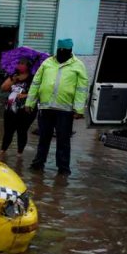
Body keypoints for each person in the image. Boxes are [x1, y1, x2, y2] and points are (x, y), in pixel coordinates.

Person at [25, 38, 88, 176]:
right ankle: (38, 164)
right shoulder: (47, 63)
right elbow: (36, 83)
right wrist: (29, 103)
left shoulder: (78, 65)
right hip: (46, 108)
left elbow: (81, 89)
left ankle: (63, 168)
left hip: (65, 110)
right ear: (57, 49)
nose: (61, 53)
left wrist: (79, 110)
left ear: (70, 51)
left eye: (64, 51)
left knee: (63, 140)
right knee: (43, 138)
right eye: (59, 50)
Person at [0, 58, 37, 157]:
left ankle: (19, 154)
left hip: (26, 110)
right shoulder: (13, 76)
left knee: (22, 131)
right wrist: (13, 80)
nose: (20, 65)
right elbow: (3, 88)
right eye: (19, 63)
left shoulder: (34, 78)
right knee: (8, 131)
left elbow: (39, 93)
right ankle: (2, 152)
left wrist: (25, 96)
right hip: (10, 109)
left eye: (22, 63)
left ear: (28, 66)